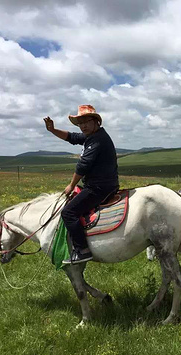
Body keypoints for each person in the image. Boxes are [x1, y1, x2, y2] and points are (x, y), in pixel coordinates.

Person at [43, 105, 119, 264]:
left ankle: (82, 250)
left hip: (99, 187)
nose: (82, 126)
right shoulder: (92, 136)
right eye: (80, 123)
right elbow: (72, 137)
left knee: (68, 212)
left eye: (86, 121)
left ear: (96, 121)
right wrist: (53, 130)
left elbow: (83, 165)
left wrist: (71, 185)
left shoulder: (98, 139)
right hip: (100, 184)